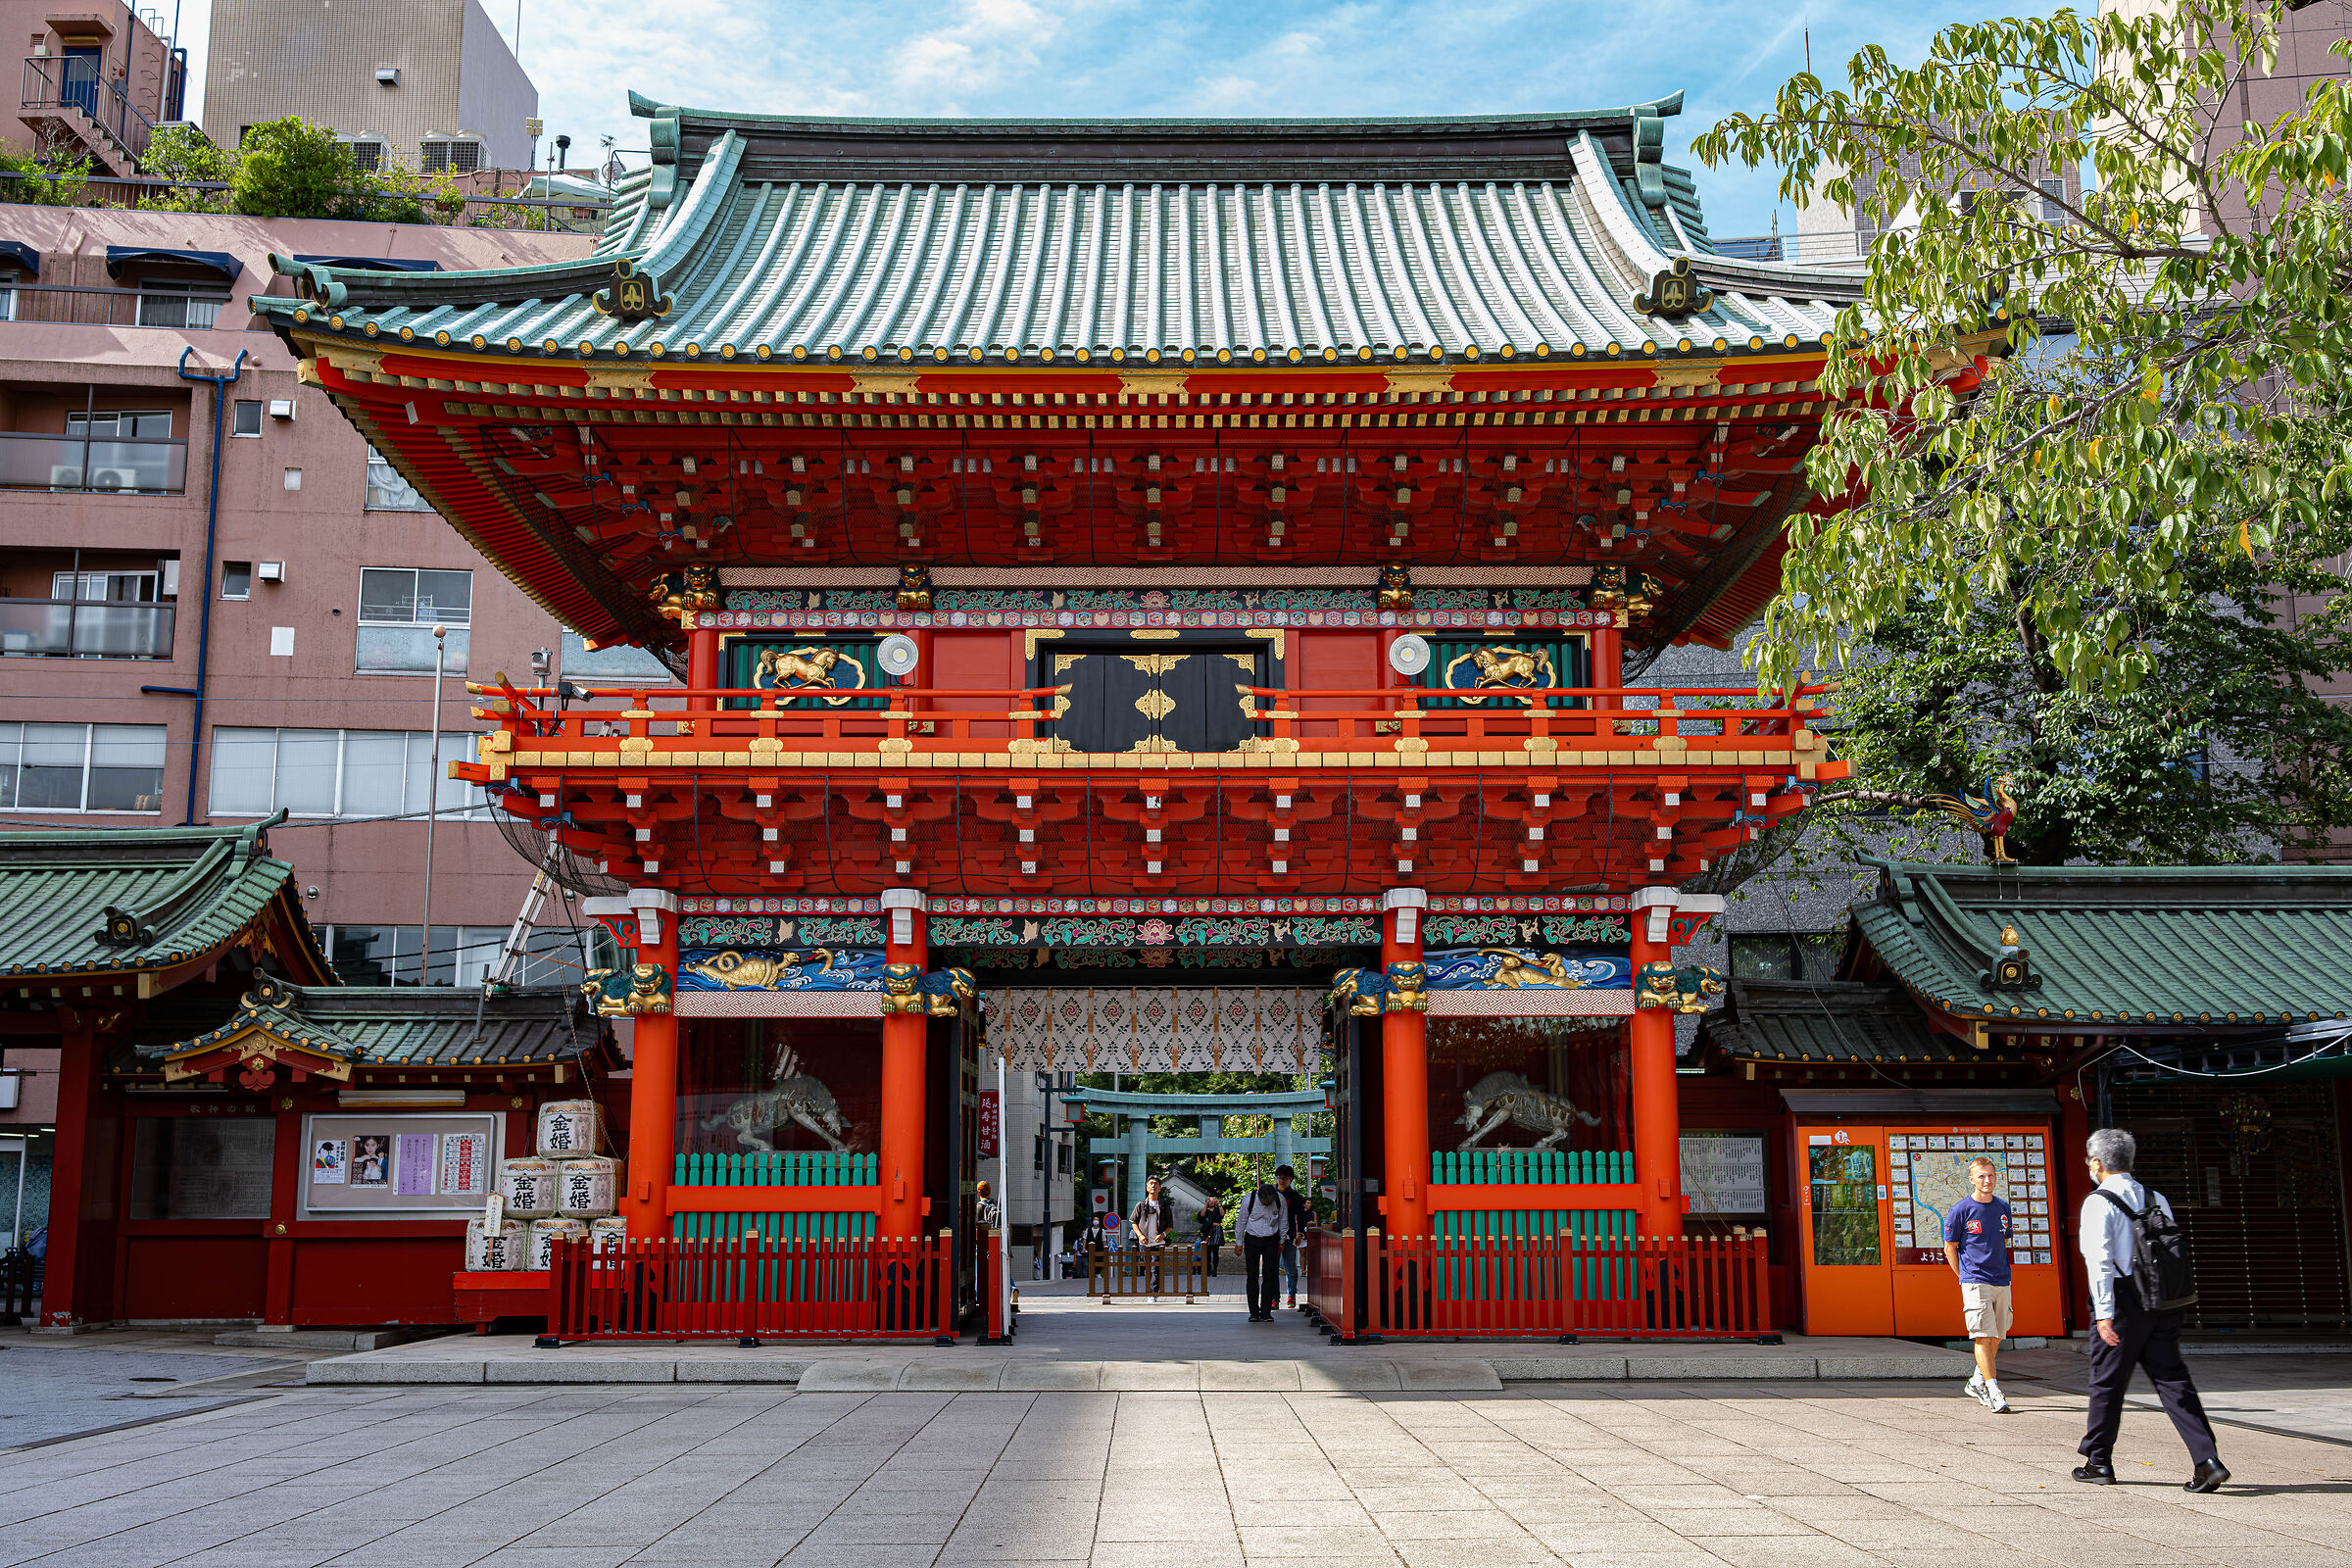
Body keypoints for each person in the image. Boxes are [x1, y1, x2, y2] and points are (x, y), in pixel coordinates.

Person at [2075, 1128, 2227, 1493]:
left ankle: (2098, 1461)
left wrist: (2104, 1314)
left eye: (2089, 1161)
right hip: (2162, 1302)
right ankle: (2207, 1459)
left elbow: (2099, 1261)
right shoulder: (2154, 1196)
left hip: (2123, 1304)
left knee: (2107, 1383)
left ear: (2097, 1163)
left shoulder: (2098, 1202)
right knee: (2173, 1382)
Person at [1943, 1155, 2014, 1413]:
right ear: (1971, 1179)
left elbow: (2002, 1241)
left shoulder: (2003, 1208)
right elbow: (1950, 1247)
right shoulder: (1960, 1210)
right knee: (1983, 1336)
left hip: (2001, 1280)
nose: (1987, 1180)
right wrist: (1963, 1276)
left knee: (1997, 1336)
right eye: (1981, 1176)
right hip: (1975, 1280)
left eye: (1991, 1175)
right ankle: (1994, 1391)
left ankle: (1976, 1381)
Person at [1235, 1177, 1289, 1322]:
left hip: (1271, 1239)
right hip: (1252, 1238)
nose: (1267, 1204)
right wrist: (1238, 1242)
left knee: (1269, 1275)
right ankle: (1253, 1312)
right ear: (1259, 1197)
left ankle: (1266, 1312)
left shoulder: (1280, 1200)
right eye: (1265, 1202)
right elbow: (1241, 1222)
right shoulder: (1249, 1199)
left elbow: (1283, 1221)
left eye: (1269, 1202)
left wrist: (1282, 1240)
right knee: (1252, 1276)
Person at [1130, 1176, 1173, 1293]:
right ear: (1147, 1187)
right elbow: (1133, 1222)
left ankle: (1153, 1292)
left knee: (1156, 1267)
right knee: (1146, 1267)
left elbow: (1170, 1225)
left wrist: (1163, 1234)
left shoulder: (1164, 1205)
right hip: (1144, 1241)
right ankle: (1149, 1290)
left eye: (1156, 1183)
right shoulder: (1141, 1204)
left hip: (1159, 1242)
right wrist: (1140, 1235)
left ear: (1160, 1188)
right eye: (1151, 1183)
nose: (1153, 1185)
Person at [1274, 1164, 1309, 1309]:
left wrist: (1300, 1233)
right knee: (1272, 1268)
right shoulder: (1271, 1194)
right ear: (1276, 1178)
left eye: (1286, 1178)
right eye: (1280, 1177)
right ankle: (1274, 1298)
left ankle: (1291, 1295)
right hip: (1272, 1236)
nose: (1282, 1180)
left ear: (1291, 1180)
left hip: (1289, 1236)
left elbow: (1301, 1217)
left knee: (1291, 1268)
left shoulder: (1295, 1196)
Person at [1198, 1194, 1225, 1278]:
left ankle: (1215, 1269)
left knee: (1215, 1252)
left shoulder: (1217, 1210)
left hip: (1216, 1231)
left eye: (1214, 1201)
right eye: (1210, 1201)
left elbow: (1222, 1214)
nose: (1212, 1202)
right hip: (1207, 1232)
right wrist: (1206, 1203)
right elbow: (1201, 1215)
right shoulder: (1206, 1210)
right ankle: (1208, 1269)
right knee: (1207, 1252)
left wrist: (1219, 1204)